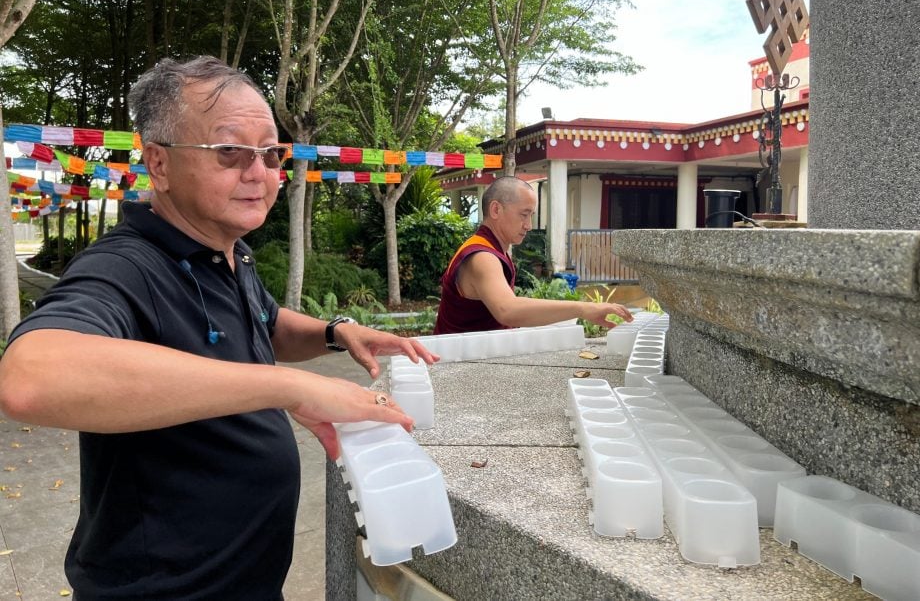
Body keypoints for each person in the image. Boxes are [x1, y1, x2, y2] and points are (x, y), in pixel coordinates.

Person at [0, 56, 438, 599]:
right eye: (229, 151)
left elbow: (264, 324)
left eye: (270, 153)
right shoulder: (125, 266)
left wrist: (335, 331)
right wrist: (292, 387)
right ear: (159, 164)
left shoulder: (228, 250)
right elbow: (31, 377)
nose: (258, 173)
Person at [434, 176, 633, 334]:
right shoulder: (482, 256)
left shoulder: (491, 248)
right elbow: (507, 310)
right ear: (495, 209)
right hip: (460, 361)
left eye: (531, 215)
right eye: (524, 214)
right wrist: (583, 309)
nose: (528, 225)